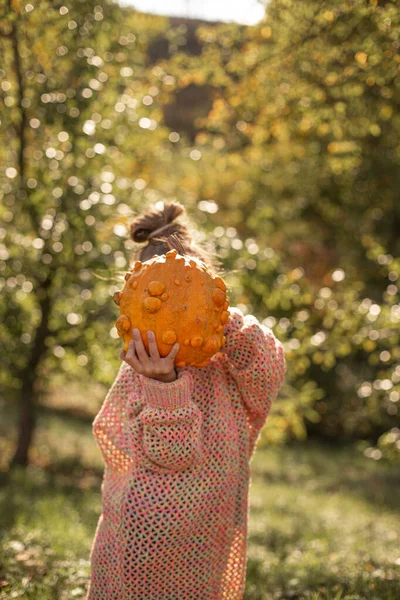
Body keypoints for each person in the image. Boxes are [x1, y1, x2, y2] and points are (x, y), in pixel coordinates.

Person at [86, 201, 287, 600]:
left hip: (204, 535)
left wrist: (218, 320)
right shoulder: (141, 366)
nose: (174, 308)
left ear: (210, 285)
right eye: (159, 299)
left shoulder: (228, 351)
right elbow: (172, 455)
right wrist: (164, 386)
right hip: (142, 531)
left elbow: (268, 370)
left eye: (186, 291)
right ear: (136, 298)